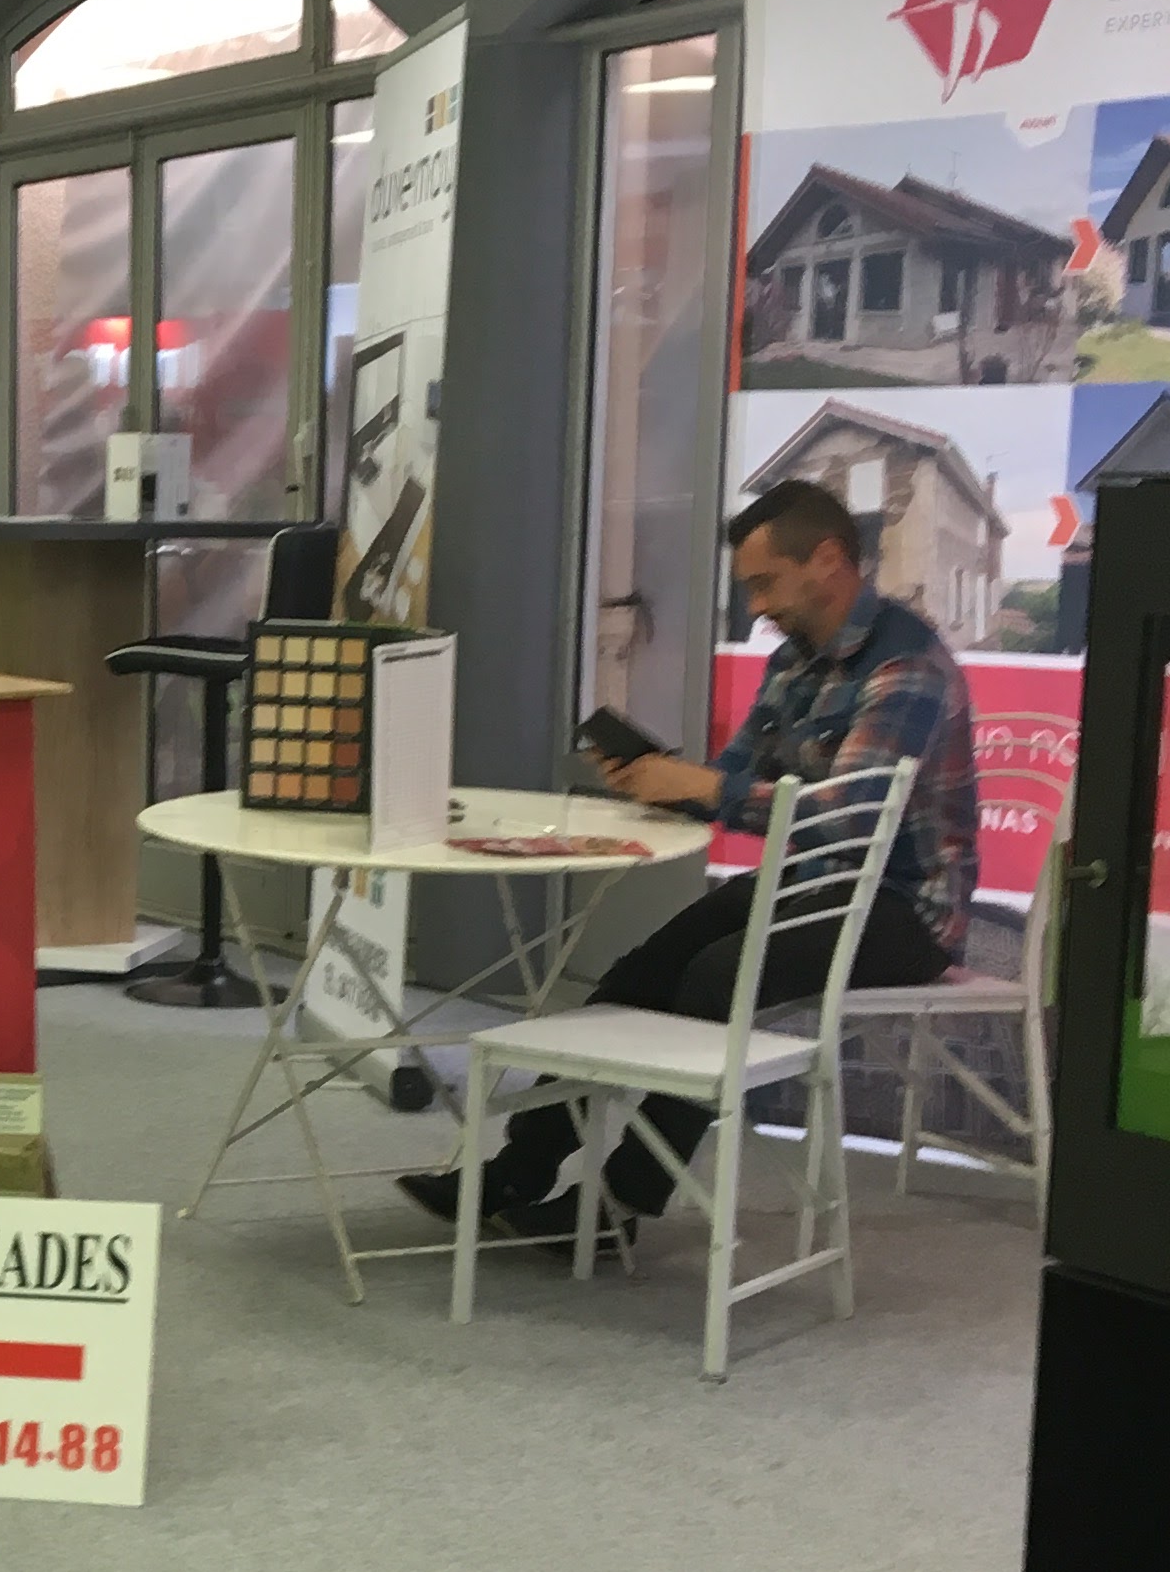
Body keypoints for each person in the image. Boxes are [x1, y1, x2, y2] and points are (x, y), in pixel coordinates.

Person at [405, 479, 976, 1238]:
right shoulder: (794, 662)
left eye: (765, 583)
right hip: (816, 883)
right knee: (639, 972)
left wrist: (706, 787)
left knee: (715, 975)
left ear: (828, 558)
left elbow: (850, 819)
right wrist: (662, 780)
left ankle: (618, 1206)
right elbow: (736, 777)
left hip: (906, 909)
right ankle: (521, 1167)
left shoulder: (907, 667)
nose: (758, 607)